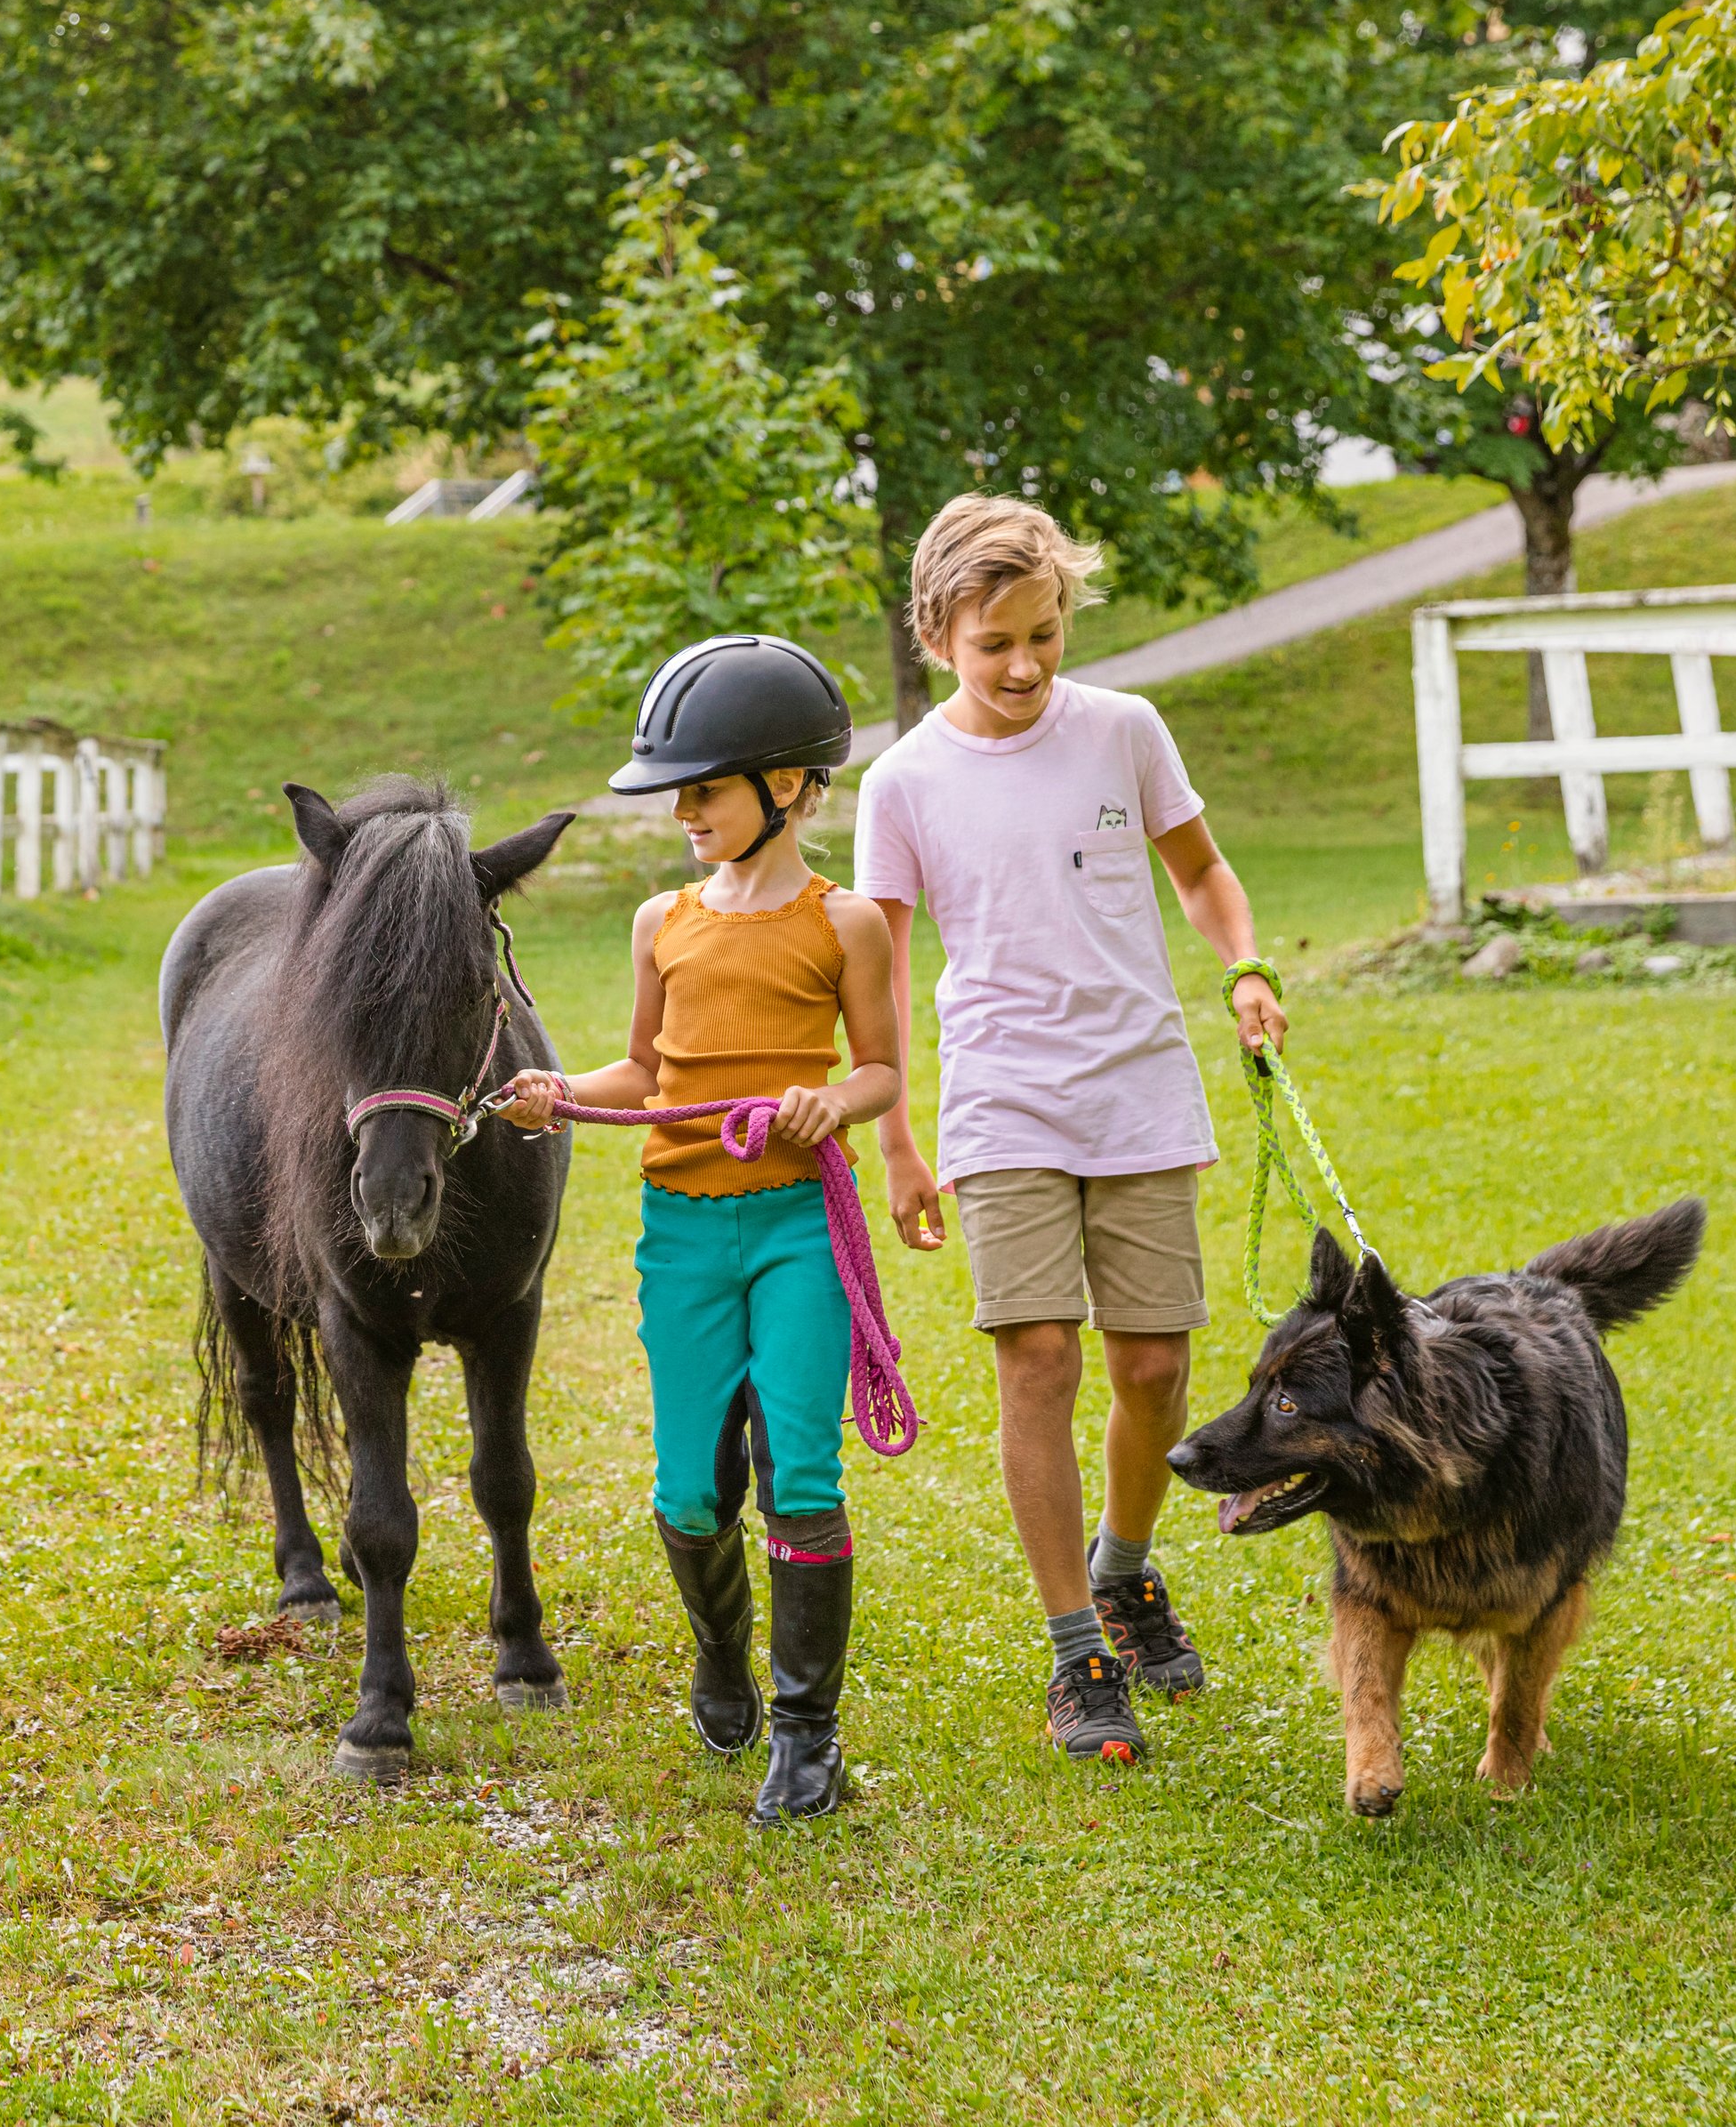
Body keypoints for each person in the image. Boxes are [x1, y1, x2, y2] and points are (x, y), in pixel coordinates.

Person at [856, 495, 1287, 1766]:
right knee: (1039, 1355)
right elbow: (879, 971)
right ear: (939, 633)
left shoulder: (1124, 732)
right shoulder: (904, 782)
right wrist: (896, 1141)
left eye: (1045, 635)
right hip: (1003, 1101)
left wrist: (1247, 964)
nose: (1029, 665)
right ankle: (1074, 1650)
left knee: (1154, 1371)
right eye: (997, 644)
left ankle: (1126, 1571)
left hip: (1140, 1087)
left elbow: (1201, 873)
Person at [501, 635, 906, 1825]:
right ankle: (722, 1656)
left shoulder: (852, 925)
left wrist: (836, 1099)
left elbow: (881, 1068)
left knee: (805, 1473)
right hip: (681, 1234)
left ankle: (806, 1735)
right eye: (676, 792)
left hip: (795, 1231)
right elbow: (643, 1067)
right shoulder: (660, 922)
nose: (683, 813)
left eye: (705, 788)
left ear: (789, 787)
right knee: (687, 1493)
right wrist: (558, 1092)